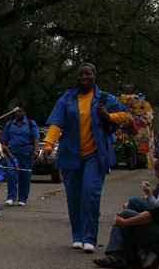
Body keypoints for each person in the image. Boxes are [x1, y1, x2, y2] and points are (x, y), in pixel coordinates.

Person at [43, 63, 129, 253]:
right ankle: (78, 237)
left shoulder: (104, 98)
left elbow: (126, 115)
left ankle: (90, 238)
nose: (84, 77)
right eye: (81, 74)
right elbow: (56, 123)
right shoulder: (68, 98)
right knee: (74, 197)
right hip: (71, 155)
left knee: (90, 195)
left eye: (88, 74)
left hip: (95, 156)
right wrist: (49, 145)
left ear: (95, 75)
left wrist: (109, 116)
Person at [2, 102, 40, 206]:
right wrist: (2, 152)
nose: (18, 113)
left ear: (25, 112)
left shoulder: (31, 124)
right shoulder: (10, 124)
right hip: (12, 154)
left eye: (21, 111)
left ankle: (22, 198)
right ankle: (11, 197)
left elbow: (36, 138)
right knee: (11, 174)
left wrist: (36, 151)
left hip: (27, 154)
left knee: (25, 175)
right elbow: (5, 140)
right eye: (17, 111)